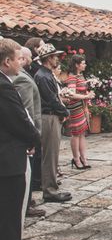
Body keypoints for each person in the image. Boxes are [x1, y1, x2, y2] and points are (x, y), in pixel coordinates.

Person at [0, 38, 43, 240]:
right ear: (7, 61)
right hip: (8, 162)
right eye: (18, 58)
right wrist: (34, 138)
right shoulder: (4, 87)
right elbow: (18, 120)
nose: (22, 62)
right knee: (9, 220)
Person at [34, 44, 71, 203]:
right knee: (50, 155)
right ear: (49, 58)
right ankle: (50, 190)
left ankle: (50, 187)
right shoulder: (44, 76)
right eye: (55, 56)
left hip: (50, 115)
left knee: (51, 154)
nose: (57, 59)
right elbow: (52, 100)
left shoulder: (45, 74)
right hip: (49, 117)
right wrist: (65, 112)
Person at [12, 48, 45, 219]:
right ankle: (26, 203)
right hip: (29, 130)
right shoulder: (20, 79)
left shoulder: (22, 75)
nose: (28, 60)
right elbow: (26, 110)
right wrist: (31, 135)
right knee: (28, 169)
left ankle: (28, 199)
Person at [65, 55, 95, 170]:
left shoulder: (81, 76)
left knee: (82, 133)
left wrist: (88, 94)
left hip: (82, 106)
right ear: (77, 65)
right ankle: (76, 159)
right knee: (76, 133)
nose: (85, 65)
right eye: (83, 63)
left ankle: (83, 158)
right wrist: (86, 96)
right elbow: (71, 94)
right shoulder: (72, 77)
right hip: (75, 107)